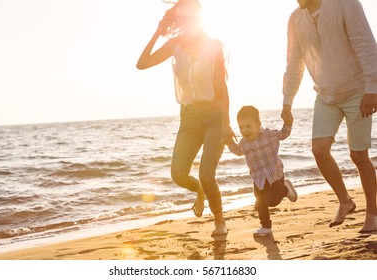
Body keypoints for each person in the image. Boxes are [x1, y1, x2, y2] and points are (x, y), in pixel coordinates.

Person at [136, 0, 233, 236]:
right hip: (188, 119)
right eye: (182, 17)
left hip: (214, 116)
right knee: (178, 174)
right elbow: (142, 64)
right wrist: (158, 32)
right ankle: (200, 191)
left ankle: (220, 222)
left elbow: (222, 87)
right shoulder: (174, 45)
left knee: (206, 174)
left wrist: (226, 124)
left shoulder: (213, 46)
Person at [282, 0, 377, 233]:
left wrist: (372, 88)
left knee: (359, 155)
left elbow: (366, 45)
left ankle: (373, 214)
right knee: (319, 150)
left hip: (357, 91)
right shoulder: (296, 19)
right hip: (325, 94)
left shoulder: (345, 4)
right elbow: (294, 63)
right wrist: (287, 100)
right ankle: (345, 201)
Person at [227, 106, 298, 237]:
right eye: (241, 127)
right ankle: (265, 227)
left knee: (272, 201)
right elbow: (237, 151)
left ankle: (286, 189)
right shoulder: (243, 143)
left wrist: (288, 122)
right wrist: (228, 140)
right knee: (260, 203)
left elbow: (284, 134)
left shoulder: (269, 135)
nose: (244, 131)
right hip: (258, 179)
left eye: (248, 126)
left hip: (275, 176)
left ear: (258, 124)